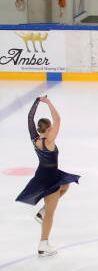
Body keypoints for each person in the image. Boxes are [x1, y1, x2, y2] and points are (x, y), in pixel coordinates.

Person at [15, 96, 80, 256]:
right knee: (51, 214)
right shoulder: (49, 140)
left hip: (45, 173)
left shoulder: (35, 138)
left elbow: (30, 118)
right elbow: (57, 118)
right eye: (51, 127)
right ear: (49, 128)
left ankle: (42, 211)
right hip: (49, 178)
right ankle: (43, 244)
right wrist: (48, 102)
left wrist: (37, 102)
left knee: (65, 185)